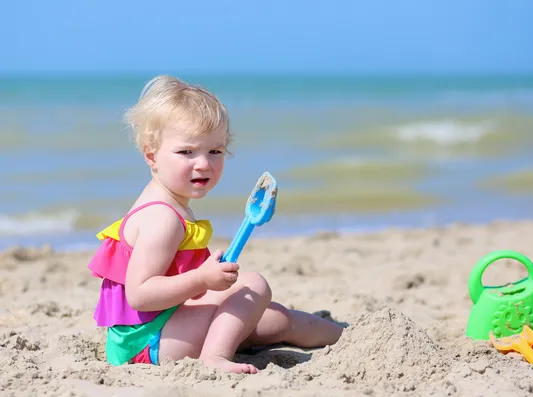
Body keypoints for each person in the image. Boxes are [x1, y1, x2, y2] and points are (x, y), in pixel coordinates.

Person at [87, 75, 343, 374]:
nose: (203, 163)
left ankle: (345, 335)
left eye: (215, 151)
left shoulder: (171, 203)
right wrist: (201, 279)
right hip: (151, 342)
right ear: (151, 155)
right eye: (186, 152)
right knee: (254, 285)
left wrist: (202, 276)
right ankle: (215, 357)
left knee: (276, 319)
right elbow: (140, 295)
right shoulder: (163, 219)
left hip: (164, 327)